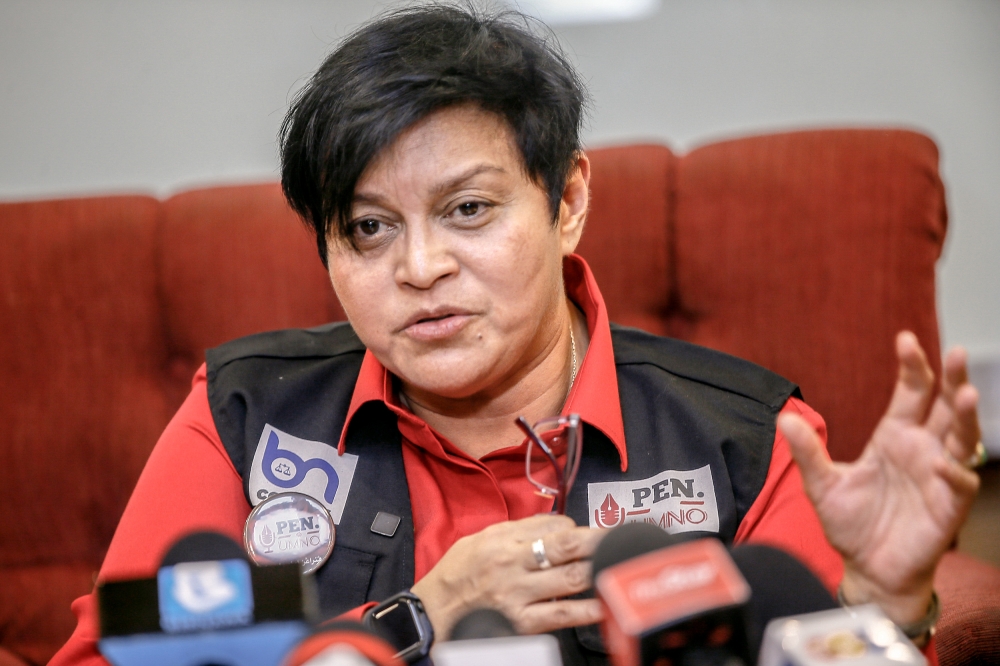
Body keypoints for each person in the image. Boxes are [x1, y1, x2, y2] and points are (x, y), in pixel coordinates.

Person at [51, 5, 983, 665]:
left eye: (467, 209)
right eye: (369, 228)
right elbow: (112, 660)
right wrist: (417, 620)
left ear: (567, 200)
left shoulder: (746, 437)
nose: (419, 267)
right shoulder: (245, 416)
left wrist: (888, 605)